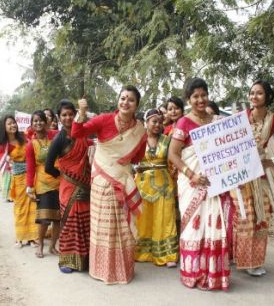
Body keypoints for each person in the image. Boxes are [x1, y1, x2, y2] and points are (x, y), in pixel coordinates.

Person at [71, 86, 147, 284]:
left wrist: (123, 163)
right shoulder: (104, 119)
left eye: (130, 100)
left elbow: (138, 156)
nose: (125, 102)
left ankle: (122, 269)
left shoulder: (140, 130)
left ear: (136, 104)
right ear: (118, 100)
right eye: (122, 98)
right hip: (103, 179)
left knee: (122, 225)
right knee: (104, 224)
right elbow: (77, 132)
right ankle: (103, 269)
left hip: (122, 177)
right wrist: (81, 113)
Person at [231, 80, 274, 277]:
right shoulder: (241, 117)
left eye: (259, 93)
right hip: (241, 175)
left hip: (259, 173)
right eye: (251, 93)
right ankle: (241, 258)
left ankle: (255, 261)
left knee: (260, 217)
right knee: (244, 218)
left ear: (268, 97)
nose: (254, 96)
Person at [168, 78, 231, 290]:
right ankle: (192, 273)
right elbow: (173, 154)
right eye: (195, 96)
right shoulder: (183, 123)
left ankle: (212, 274)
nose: (200, 99)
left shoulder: (216, 121)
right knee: (193, 228)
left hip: (214, 184)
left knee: (213, 227)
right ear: (189, 99)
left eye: (203, 95)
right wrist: (192, 174)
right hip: (192, 184)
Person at [45, 100, 92, 273]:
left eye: (71, 114)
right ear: (58, 117)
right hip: (68, 186)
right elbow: (48, 167)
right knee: (70, 220)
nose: (68, 117)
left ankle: (86, 259)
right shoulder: (58, 139)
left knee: (86, 220)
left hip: (86, 184)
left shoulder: (82, 133)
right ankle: (67, 260)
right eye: (64, 115)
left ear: (75, 115)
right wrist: (65, 176)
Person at [134, 109, 178, 267]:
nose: (158, 125)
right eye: (154, 121)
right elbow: (130, 159)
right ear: (146, 123)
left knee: (165, 218)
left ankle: (167, 255)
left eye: (160, 121)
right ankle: (143, 252)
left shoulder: (167, 140)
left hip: (164, 186)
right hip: (142, 185)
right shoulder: (138, 140)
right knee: (143, 219)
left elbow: (174, 160)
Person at [0, 115, 39, 247]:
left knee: (33, 206)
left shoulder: (24, 136)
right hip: (19, 178)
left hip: (32, 176)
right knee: (20, 208)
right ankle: (20, 237)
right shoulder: (4, 146)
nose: (13, 125)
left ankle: (32, 237)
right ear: (4, 127)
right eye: (9, 124)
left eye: (14, 123)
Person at [26, 111, 60, 258]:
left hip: (59, 180)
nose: (38, 123)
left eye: (41, 121)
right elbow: (31, 167)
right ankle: (40, 244)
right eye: (35, 121)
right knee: (44, 218)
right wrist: (29, 187)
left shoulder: (54, 136)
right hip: (42, 183)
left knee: (58, 218)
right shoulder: (30, 145)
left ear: (46, 122)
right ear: (32, 124)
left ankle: (52, 246)